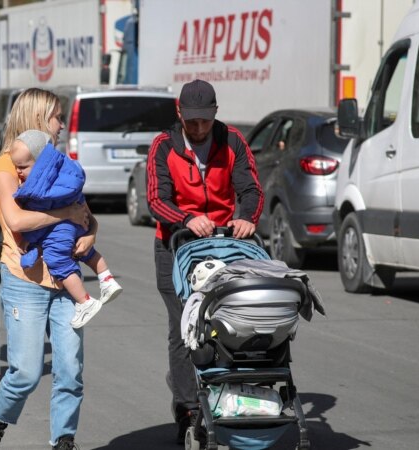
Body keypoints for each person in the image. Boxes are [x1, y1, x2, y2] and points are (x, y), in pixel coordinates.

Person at [0, 88, 93, 450]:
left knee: (70, 370)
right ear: (39, 119)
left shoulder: (58, 161)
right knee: (25, 372)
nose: (61, 124)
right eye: (57, 116)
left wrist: (89, 234)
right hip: (24, 279)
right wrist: (66, 215)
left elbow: (85, 214)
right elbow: (16, 219)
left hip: (66, 278)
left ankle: (63, 441)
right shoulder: (6, 165)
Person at [146, 79, 264, 443]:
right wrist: (185, 218)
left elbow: (252, 189)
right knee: (184, 326)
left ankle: (229, 393)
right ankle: (187, 407)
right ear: (179, 113)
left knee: (230, 321)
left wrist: (247, 217)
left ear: (215, 114)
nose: (198, 129)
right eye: (191, 121)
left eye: (205, 121)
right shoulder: (163, 146)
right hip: (176, 246)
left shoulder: (232, 142)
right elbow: (155, 198)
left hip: (225, 244)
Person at [9, 130, 122, 328]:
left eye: (23, 167)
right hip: (79, 222)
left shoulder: (40, 189)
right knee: (86, 251)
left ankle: (84, 301)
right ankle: (107, 279)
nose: (18, 172)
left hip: (59, 229)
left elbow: (41, 220)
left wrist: (29, 240)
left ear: (40, 164)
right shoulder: (65, 172)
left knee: (57, 259)